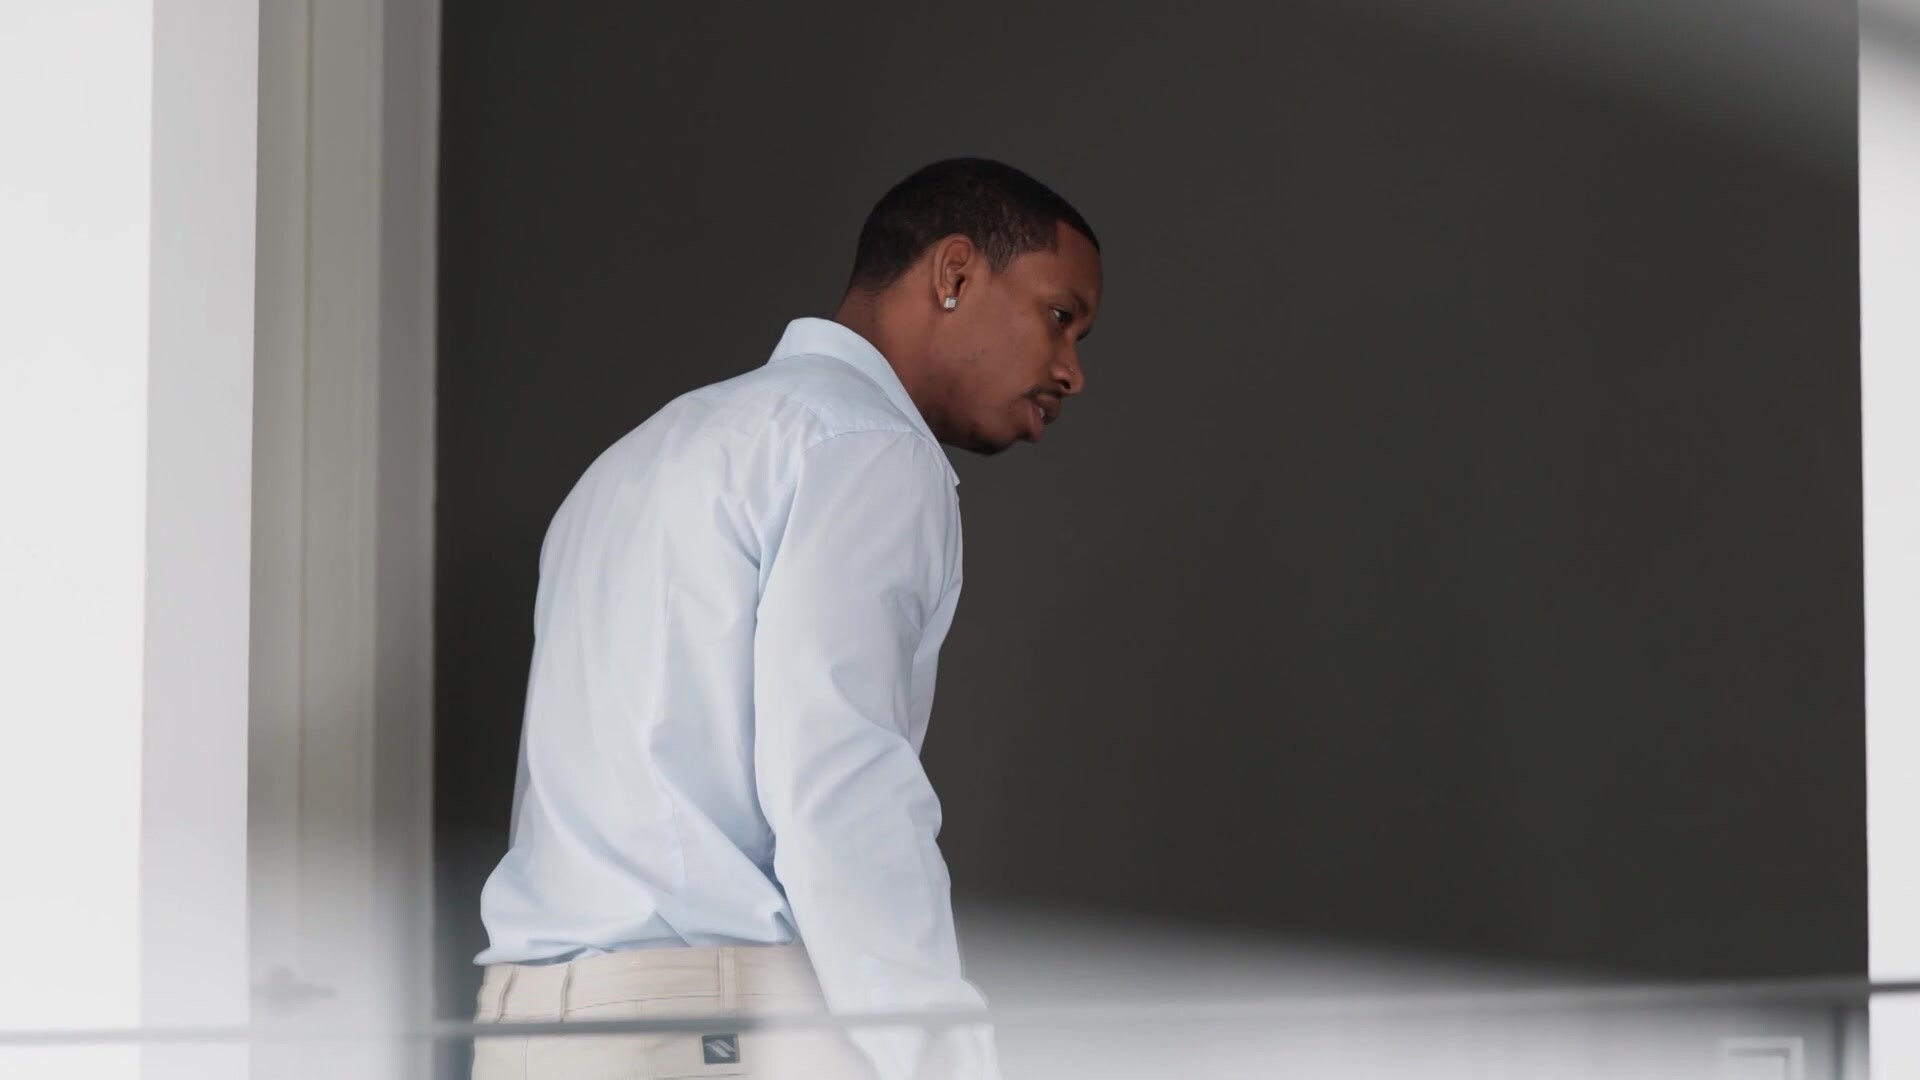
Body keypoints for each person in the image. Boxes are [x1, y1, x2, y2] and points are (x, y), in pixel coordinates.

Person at [470, 157, 1102, 1080]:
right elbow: (840, 786)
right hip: (706, 1030)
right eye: (1060, 315)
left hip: (529, 1030)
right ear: (955, 272)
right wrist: (945, 1061)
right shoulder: (867, 447)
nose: (1072, 371)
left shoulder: (636, 460)